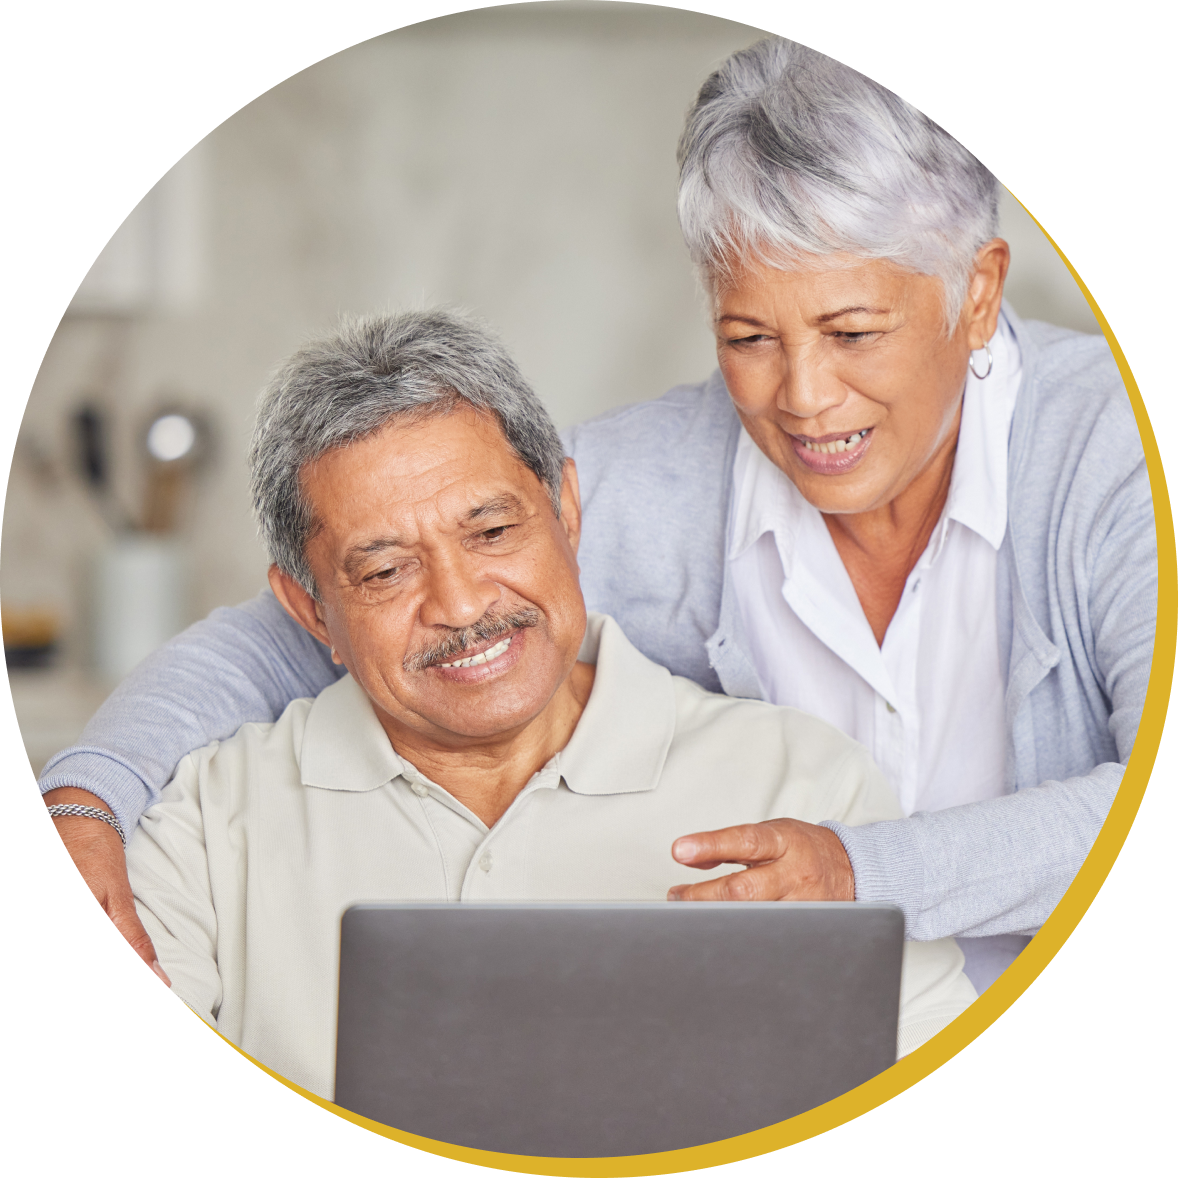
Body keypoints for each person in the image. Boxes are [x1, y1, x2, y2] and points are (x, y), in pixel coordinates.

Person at [40, 39, 1154, 995]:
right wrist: (88, 796)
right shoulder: (661, 474)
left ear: (976, 290)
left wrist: (860, 877)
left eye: (852, 332)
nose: (801, 397)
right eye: (747, 337)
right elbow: (297, 634)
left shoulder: (1116, 452)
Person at [124, 310, 974, 1099]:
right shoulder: (206, 825)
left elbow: (944, 1112)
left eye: (492, 533)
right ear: (312, 609)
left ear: (566, 510)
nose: (459, 604)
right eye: (384, 572)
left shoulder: (800, 783)